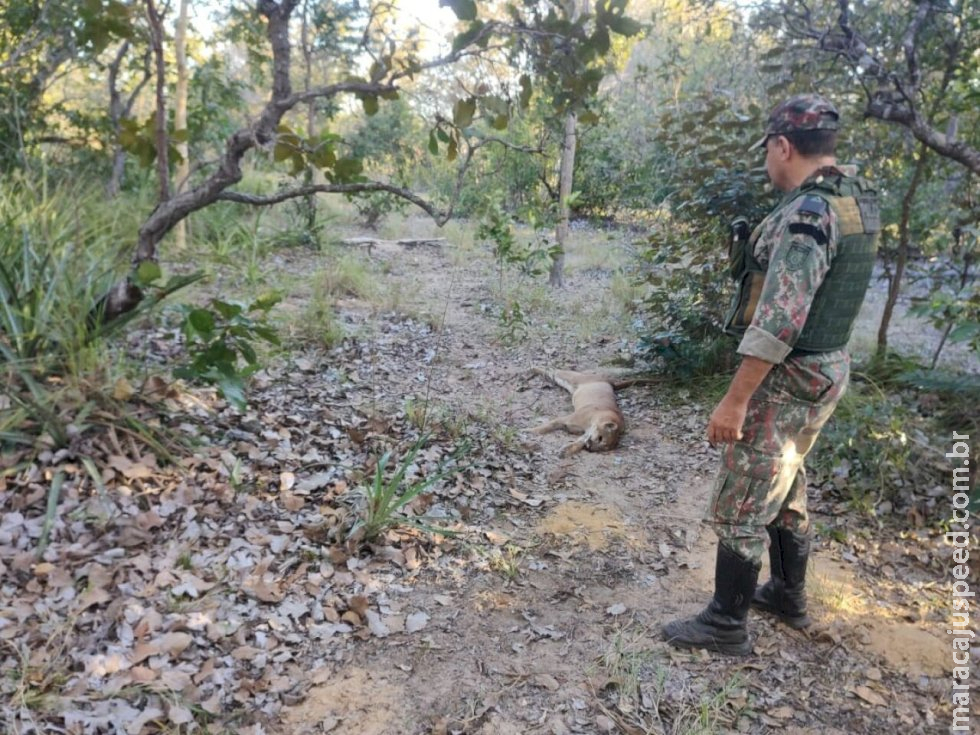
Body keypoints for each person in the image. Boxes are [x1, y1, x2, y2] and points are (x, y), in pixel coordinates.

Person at [662, 94, 881, 656]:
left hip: (791, 373)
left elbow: (779, 321)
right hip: (827, 367)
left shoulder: (810, 214)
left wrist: (734, 402)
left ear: (783, 146)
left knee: (742, 495)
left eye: (767, 149)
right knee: (786, 477)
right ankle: (787, 593)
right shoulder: (855, 200)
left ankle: (724, 624)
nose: (766, 160)